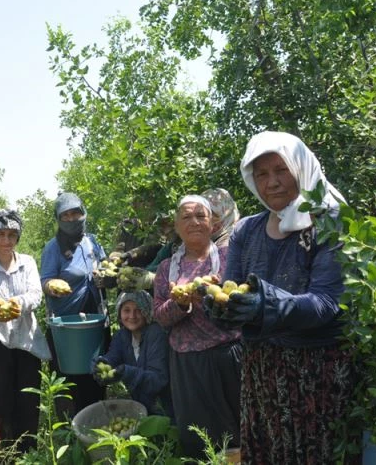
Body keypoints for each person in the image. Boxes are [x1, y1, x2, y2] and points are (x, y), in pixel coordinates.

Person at [207, 131, 353, 464]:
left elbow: (327, 302)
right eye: (261, 174)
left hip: (315, 370)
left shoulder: (328, 221)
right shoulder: (247, 230)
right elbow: (232, 288)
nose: (271, 182)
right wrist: (220, 308)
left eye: (281, 170)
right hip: (262, 371)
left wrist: (265, 303)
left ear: (301, 168)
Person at [153, 195, 242, 459]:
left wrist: (219, 299)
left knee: (236, 431)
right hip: (187, 364)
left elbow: (245, 305)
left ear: (213, 224)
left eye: (201, 216)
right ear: (177, 227)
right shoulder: (166, 269)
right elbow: (159, 316)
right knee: (198, 436)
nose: (194, 222)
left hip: (229, 357)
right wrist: (179, 304)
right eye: (186, 217)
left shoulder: (230, 259)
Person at [0, 209, 51, 453]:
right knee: (2, 397)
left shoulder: (27, 263)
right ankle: (7, 450)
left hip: (27, 339)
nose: (6, 241)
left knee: (29, 397)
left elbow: (36, 294)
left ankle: (29, 450)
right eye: (1, 234)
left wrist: (18, 304)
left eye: (12, 235)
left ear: (18, 238)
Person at [39, 192, 108, 419]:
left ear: (83, 213)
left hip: (95, 324)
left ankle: (96, 430)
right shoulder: (53, 248)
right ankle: (70, 436)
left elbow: (107, 267)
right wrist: (53, 285)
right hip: (66, 328)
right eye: (65, 215)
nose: (71, 219)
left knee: (96, 380)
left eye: (75, 213)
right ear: (58, 219)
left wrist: (107, 273)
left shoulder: (93, 242)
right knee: (68, 386)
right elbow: (45, 281)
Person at [92, 290, 173, 420]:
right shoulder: (122, 335)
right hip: (143, 407)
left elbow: (158, 380)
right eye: (127, 310)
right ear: (119, 313)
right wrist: (101, 363)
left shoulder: (156, 333)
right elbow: (113, 357)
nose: (132, 316)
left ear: (147, 312)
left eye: (138, 310)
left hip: (164, 408)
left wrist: (126, 372)